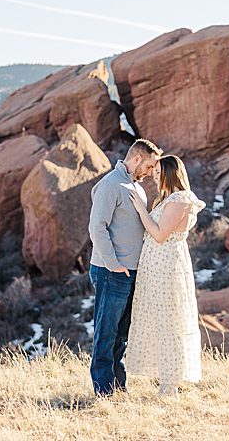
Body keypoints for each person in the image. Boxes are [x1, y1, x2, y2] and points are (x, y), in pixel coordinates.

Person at [125, 154, 206, 398]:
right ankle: (165, 381)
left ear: (171, 173)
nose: (154, 176)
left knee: (170, 321)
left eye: (159, 172)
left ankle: (170, 385)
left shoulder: (180, 199)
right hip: (156, 267)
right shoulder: (167, 199)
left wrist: (140, 209)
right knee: (159, 320)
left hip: (167, 267)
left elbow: (160, 234)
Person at [87, 138, 162, 396]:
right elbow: (97, 227)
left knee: (121, 336)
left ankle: (118, 388)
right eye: (150, 167)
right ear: (138, 159)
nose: (151, 173)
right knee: (106, 334)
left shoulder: (135, 188)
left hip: (130, 273)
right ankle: (103, 392)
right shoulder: (111, 184)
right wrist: (113, 264)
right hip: (112, 272)